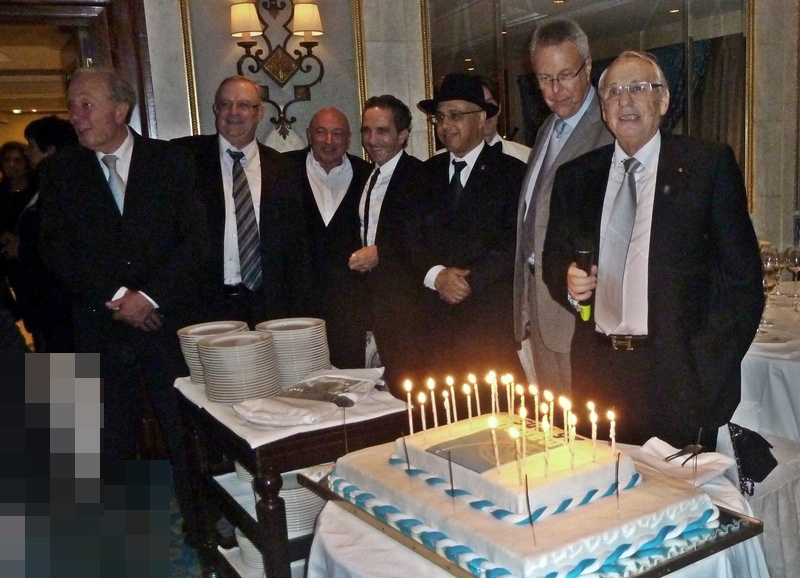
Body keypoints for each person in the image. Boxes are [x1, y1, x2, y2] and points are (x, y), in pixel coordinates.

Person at [542, 51, 762, 448]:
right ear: (603, 108)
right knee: (605, 484)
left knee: (677, 490)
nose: (625, 100)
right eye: (613, 92)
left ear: (663, 101)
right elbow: (554, 259)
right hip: (598, 374)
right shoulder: (576, 177)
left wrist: (706, 371)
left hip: (678, 379)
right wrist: (568, 281)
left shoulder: (707, 166)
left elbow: (742, 284)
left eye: (639, 88)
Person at [38, 67, 208, 546]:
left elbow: (195, 241)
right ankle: (123, 542)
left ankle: (201, 530)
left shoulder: (170, 162)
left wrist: (148, 298)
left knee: (183, 433)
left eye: (86, 104)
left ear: (121, 109)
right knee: (109, 439)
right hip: (101, 327)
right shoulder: (60, 171)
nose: (75, 115)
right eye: (72, 105)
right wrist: (118, 298)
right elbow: (56, 249)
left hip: (165, 324)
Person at [513, 19, 614, 397]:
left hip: (578, 310)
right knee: (553, 421)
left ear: (588, 67)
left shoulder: (609, 129)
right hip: (539, 301)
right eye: (544, 78)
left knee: (581, 423)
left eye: (565, 76)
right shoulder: (548, 128)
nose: (554, 91)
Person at [406, 73, 526, 381]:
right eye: (440, 117)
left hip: (488, 328)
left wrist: (467, 282)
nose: (446, 125)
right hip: (434, 329)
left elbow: (515, 241)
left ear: (482, 118)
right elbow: (409, 238)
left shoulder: (512, 173)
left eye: (456, 115)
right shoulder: (424, 174)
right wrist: (436, 276)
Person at [173, 76, 311, 328]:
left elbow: (297, 246)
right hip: (204, 306)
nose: (234, 112)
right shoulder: (184, 159)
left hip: (269, 305)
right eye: (225, 104)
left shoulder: (285, 169)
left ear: (260, 112)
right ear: (215, 109)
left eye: (244, 105)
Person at [349, 95, 425, 395]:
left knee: (410, 392)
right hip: (373, 304)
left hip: (409, 308)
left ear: (403, 134)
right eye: (367, 131)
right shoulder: (366, 175)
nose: (372, 140)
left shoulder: (419, 176)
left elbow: (426, 237)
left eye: (382, 131)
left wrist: (383, 253)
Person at [285, 107, 371, 369]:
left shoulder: (369, 174)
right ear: (309, 134)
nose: (329, 141)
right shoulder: (282, 169)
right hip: (296, 305)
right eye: (321, 132)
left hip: (350, 308)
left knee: (349, 383)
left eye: (338, 133)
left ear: (349, 138)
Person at [13, 116, 78, 352]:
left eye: (31, 146)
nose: (27, 153)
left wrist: (22, 247)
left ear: (49, 151)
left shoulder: (63, 191)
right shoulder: (45, 186)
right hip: (48, 304)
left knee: (64, 368)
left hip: (57, 303)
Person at [476, 75, 531, 163]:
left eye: (489, 105)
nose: (484, 114)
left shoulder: (527, 157)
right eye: (477, 107)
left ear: (499, 108)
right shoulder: (451, 160)